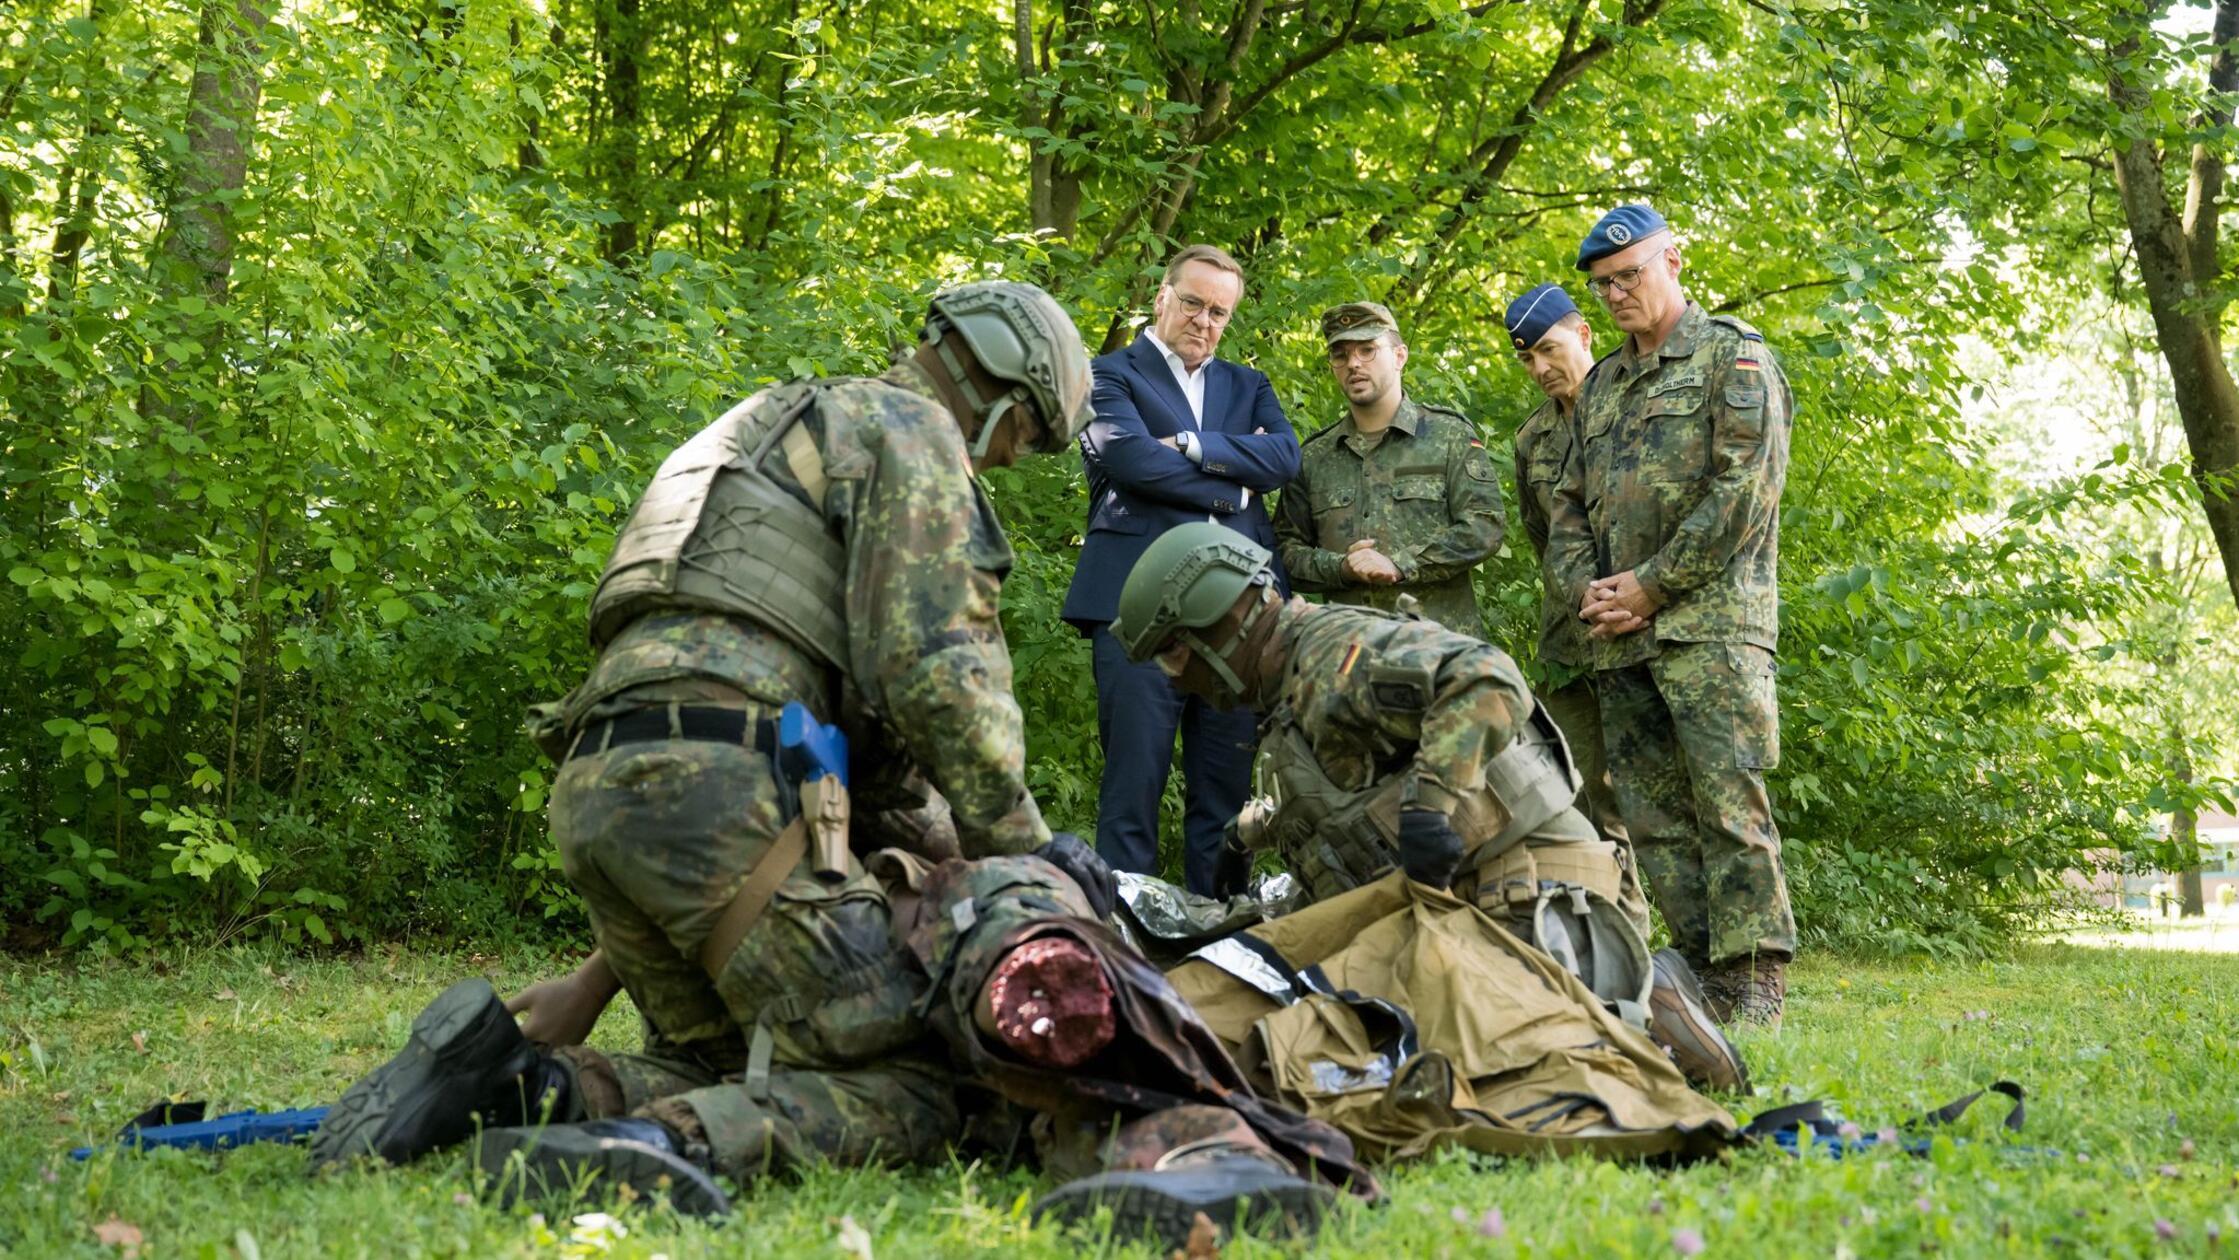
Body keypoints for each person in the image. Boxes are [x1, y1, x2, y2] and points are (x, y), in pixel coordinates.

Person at [312, 280, 1106, 1188]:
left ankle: (519, 1085)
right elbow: (938, 675)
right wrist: (1029, 865)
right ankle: (655, 1150)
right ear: (1003, 392)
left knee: (732, 1061)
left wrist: (592, 981)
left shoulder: (768, 428)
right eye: (1024, 437)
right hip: (723, 795)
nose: (1007, 460)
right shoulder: (914, 435)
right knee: (932, 1081)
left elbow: (734, 725)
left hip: (603, 785)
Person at [1109, 521, 1745, 1091]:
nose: (1172, 675)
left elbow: (1486, 677)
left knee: (1458, 1077)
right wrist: (1243, 844)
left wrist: (1430, 807)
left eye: (1173, 652)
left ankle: (1638, 1002)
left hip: (1528, 899)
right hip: (1467, 908)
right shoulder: (1291, 692)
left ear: (1225, 624)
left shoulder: (1331, 654)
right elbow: (1344, 816)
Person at [1544, 204, 1798, 1027]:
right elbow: (1565, 505)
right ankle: (1702, 973)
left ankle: (1754, 978)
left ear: (1672, 262)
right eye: (1603, 285)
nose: (1617, 292)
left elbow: (1745, 491)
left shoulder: (1734, 356)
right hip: (1618, 636)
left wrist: (1652, 585)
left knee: (1727, 802)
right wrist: (1585, 591)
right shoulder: (1599, 386)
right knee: (1653, 817)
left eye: (1630, 275)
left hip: (1710, 627)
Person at [1062, 244, 1302, 896]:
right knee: (1131, 789)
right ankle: (1127, 937)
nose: (1204, 320)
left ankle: (1220, 933)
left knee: (1226, 801)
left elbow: (1284, 458)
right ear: (1161, 297)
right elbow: (1130, 460)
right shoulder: (1107, 374)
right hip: (1135, 611)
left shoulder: (1248, 386)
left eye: (1219, 312)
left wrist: (1192, 445)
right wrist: (1236, 483)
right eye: (1193, 303)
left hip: (1241, 622)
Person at [1503, 282, 1646, 928]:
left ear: (1584, 334)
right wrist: (1585, 596)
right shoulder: (1532, 440)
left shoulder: (1635, 404)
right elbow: (1544, 538)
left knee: (1655, 794)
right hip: (1570, 643)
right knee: (1577, 793)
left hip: (1647, 629)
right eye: (1526, 358)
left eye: (1549, 350)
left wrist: (1632, 598)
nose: (1539, 368)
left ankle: (1703, 950)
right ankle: (1616, 935)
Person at [1275, 301, 1504, 639]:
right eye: (1340, 354)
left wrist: (1401, 564)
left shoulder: (1448, 436)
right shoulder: (1314, 457)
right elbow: (1284, 552)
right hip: (1349, 651)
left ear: (1400, 356)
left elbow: (1484, 526)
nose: (1353, 363)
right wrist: (1341, 568)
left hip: (1439, 652)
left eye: (1367, 350)